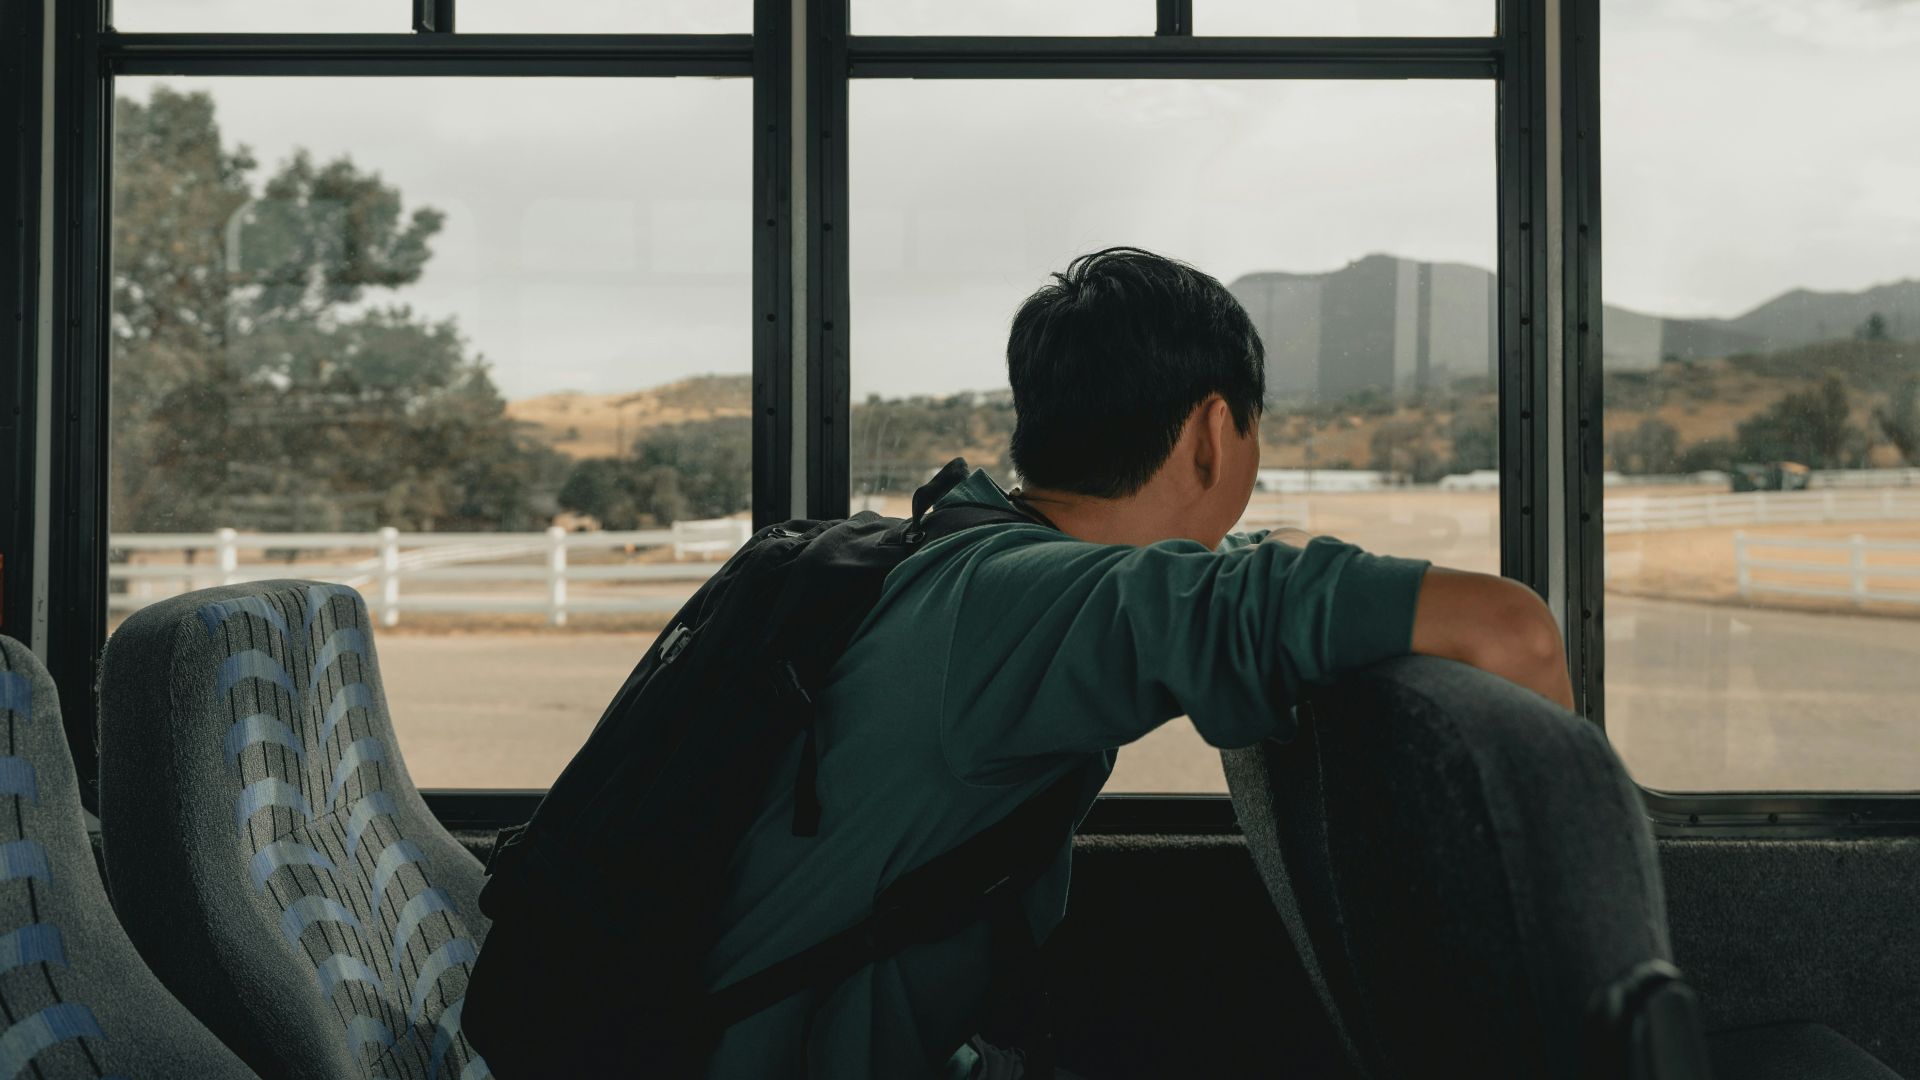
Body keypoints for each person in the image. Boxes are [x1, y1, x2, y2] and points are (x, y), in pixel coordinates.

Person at [700, 247, 1572, 1079]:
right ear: (1214, 433)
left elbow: (1227, 575)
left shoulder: (962, 560)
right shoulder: (1046, 605)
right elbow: (1511, 628)